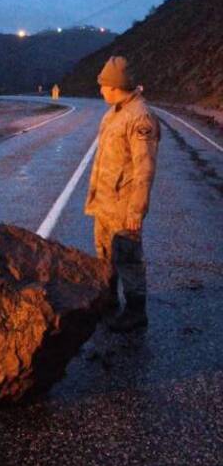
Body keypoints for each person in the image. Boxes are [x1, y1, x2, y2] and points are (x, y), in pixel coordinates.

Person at [84, 56, 160, 331]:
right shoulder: (114, 112)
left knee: (128, 258)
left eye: (103, 85)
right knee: (104, 254)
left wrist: (136, 211)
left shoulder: (140, 118)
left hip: (124, 206)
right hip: (105, 203)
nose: (100, 90)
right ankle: (110, 301)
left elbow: (144, 169)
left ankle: (136, 312)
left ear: (115, 86)